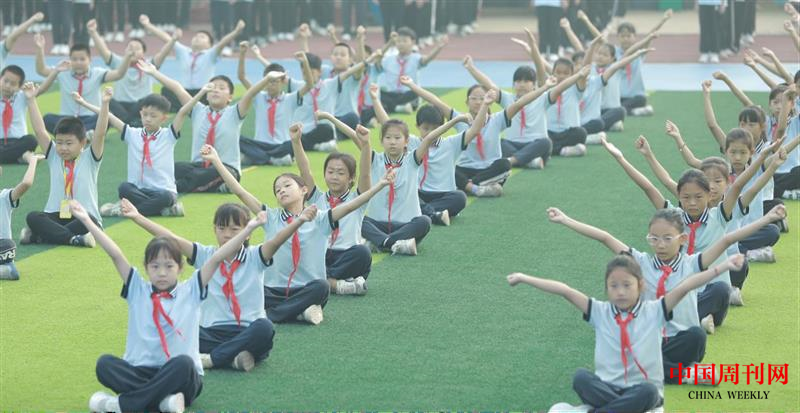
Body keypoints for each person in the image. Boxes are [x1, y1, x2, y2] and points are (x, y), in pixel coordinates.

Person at [81, 202, 270, 413]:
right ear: (146, 268)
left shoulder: (191, 289)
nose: (162, 273)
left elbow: (218, 257)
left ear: (180, 268)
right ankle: (163, 402)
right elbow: (115, 254)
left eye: (169, 266)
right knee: (105, 364)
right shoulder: (138, 289)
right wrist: (86, 220)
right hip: (142, 371)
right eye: (155, 266)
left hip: (180, 375)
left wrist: (250, 228)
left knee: (183, 364)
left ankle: (121, 405)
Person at [510, 254, 745, 412]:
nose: (620, 292)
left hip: (640, 390)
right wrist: (524, 278)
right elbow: (565, 291)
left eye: (627, 285)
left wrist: (722, 267)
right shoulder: (599, 311)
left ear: (640, 286)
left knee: (649, 391)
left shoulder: (654, 310)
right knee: (581, 377)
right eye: (614, 286)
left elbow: (686, 286)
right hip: (608, 388)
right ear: (606, 288)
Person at [202, 138, 397, 323]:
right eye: (278, 190)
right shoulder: (270, 217)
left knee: (321, 287)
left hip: (305, 290)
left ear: (304, 190)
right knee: (247, 285)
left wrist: (380, 184)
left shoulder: (320, 217)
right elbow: (240, 192)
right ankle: (298, 313)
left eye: (287, 185)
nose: (282, 191)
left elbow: (352, 205)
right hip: (272, 290)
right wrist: (217, 160)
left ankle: (273, 314)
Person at [121, 198, 316, 372]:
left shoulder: (255, 256)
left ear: (247, 232)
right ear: (214, 230)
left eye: (234, 229)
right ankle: (233, 358)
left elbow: (276, 241)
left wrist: (299, 220)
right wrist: (137, 217)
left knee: (265, 328)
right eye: (221, 228)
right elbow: (171, 239)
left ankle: (213, 360)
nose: (227, 234)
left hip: (247, 330)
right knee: (176, 327)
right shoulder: (205, 255)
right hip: (211, 332)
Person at [19, 82, 108, 248]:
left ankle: (39, 237)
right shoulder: (54, 155)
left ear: (83, 142)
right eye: (59, 142)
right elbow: (40, 131)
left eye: (69, 143)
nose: (63, 148)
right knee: (33, 217)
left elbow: (100, 133)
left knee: (90, 221)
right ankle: (74, 239)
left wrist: (105, 104)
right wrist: (31, 99)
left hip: (83, 216)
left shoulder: (90, 157)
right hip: (56, 215)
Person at [72, 91, 184, 218]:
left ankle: (122, 211)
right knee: (124, 188)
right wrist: (84, 103)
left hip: (162, 191)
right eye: (145, 114)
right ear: (140, 113)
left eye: (153, 116)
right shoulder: (132, 134)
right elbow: (109, 116)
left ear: (163, 118)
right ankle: (163, 210)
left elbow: (182, 112)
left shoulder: (168, 135)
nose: (148, 119)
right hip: (138, 190)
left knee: (166, 197)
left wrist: (200, 93)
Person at [86, 17, 179, 126]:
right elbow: (103, 51)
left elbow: (163, 53)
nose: (133, 50)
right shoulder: (118, 62)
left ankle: (126, 122)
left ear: (143, 53)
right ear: (125, 50)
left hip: (140, 105)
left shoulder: (148, 64)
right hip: (120, 104)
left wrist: (173, 40)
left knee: (150, 100)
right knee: (108, 101)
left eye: (137, 48)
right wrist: (93, 32)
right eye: (130, 47)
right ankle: (132, 122)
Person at [33, 37, 132, 133]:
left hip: (90, 117)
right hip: (68, 118)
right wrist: (39, 49)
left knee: (106, 117)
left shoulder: (97, 73)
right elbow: (42, 70)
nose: (78, 62)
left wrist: (127, 57)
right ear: (70, 59)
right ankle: (83, 134)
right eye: (74, 59)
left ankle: (72, 133)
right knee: (47, 119)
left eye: (82, 59)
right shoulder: (62, 72)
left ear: (90, 60)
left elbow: (119, 74)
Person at [0, 151, 44, 280]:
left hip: (3, 247)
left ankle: (7, 269)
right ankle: (5, 270)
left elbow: (26, 183)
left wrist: (32, 161)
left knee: (7, 245)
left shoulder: (4, 197)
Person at [0, 65, 36, 164]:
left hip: (18, 141)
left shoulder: (22, 96)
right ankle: (19, 157)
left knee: (31, 140)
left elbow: (41, 90)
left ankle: (8, 157)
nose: (8, 86)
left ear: (19, 87)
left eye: (13, 84)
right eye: (5, 81)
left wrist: (56, 71)